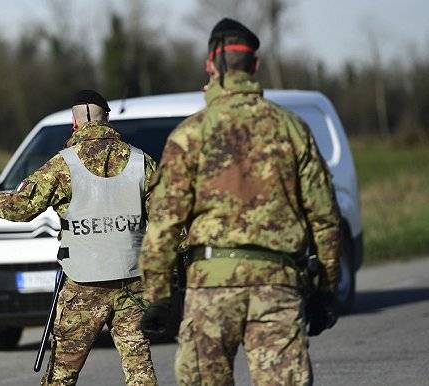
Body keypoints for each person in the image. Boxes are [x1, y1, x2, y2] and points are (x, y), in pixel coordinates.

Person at [139, 18, 341, 386]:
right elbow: (325, 217)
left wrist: (158, 297)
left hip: (210, 288)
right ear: (256, 67)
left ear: (210, 67)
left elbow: (164, 223)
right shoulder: (292, 128)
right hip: (278, 285)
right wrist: (327, 290)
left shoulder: (190, 134)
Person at [0, 90, 158, 386]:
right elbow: (170, 221)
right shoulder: (141, 161)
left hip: (83, 282)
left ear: (75, 123)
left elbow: (21, 208)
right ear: (107, 118)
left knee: (62, 374)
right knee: (140, 370)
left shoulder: (61, 165)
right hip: (131, 281)